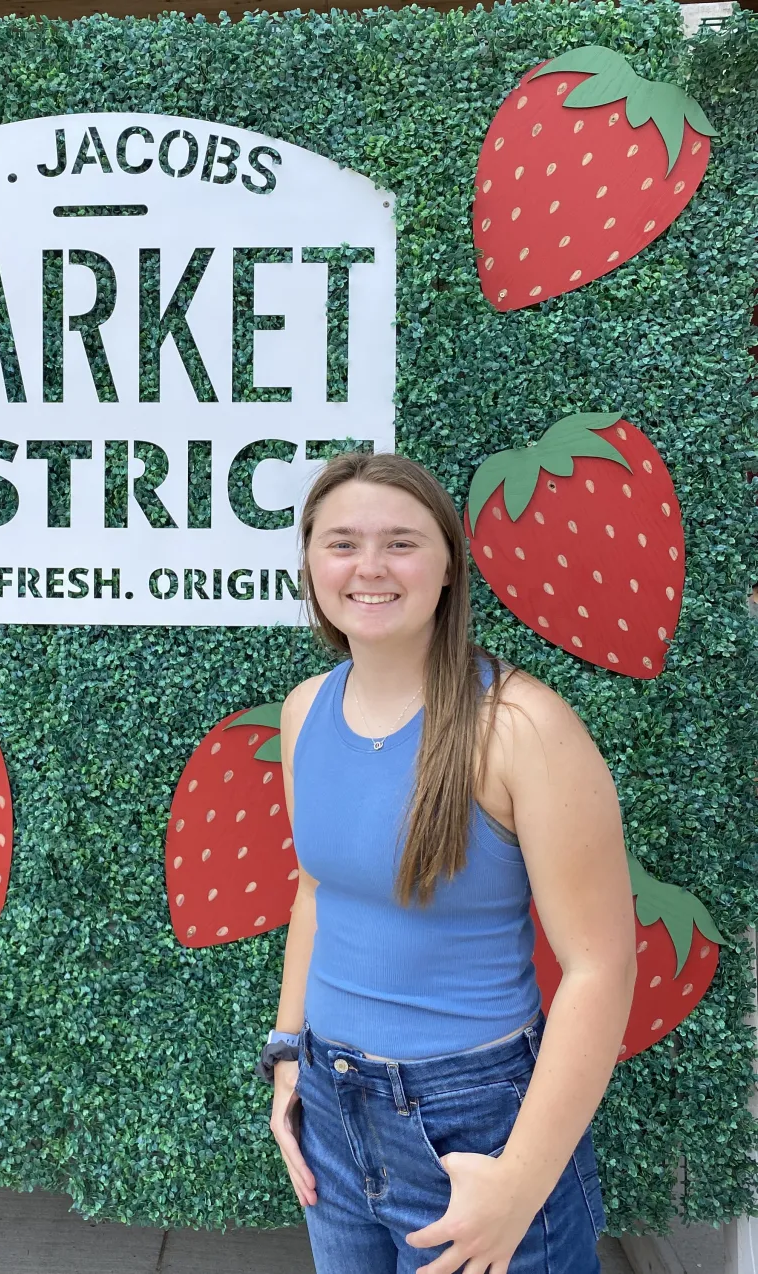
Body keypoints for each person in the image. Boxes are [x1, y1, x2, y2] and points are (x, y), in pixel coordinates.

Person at [263, 451, 636, 1274]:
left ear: (446, 570)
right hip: (331, 1105)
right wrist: (288, 1055)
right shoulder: (304, 711)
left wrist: (520, 1183)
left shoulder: (521, 727)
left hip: (475, 1124)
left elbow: (600, 967)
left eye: (401, 542)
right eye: (341, 543)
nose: (369, 567)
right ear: (310, 563)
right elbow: (316, 890)